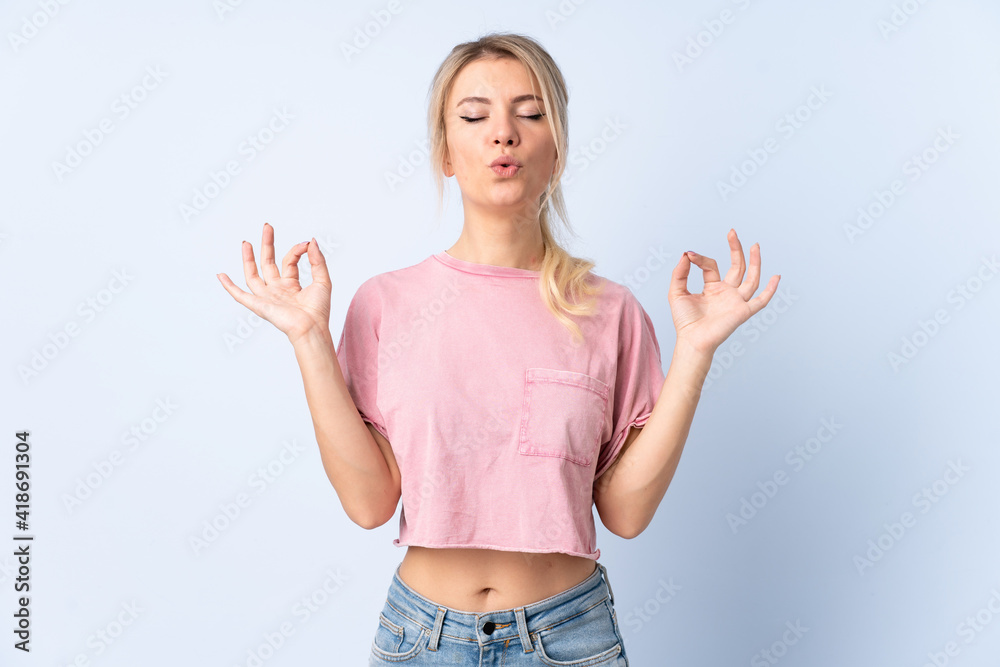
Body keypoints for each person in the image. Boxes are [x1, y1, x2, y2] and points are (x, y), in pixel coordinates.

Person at [217, 31, 779, 667]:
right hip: (419, 640)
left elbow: (624, 513)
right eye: (475, 115)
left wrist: (696, 352)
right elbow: (369, 504)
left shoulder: (611, 312)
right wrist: (309, 341)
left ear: (558, 147)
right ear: (446, 153)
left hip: (570, 636)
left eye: (530, 113)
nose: (503, 133)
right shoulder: (385, 304)